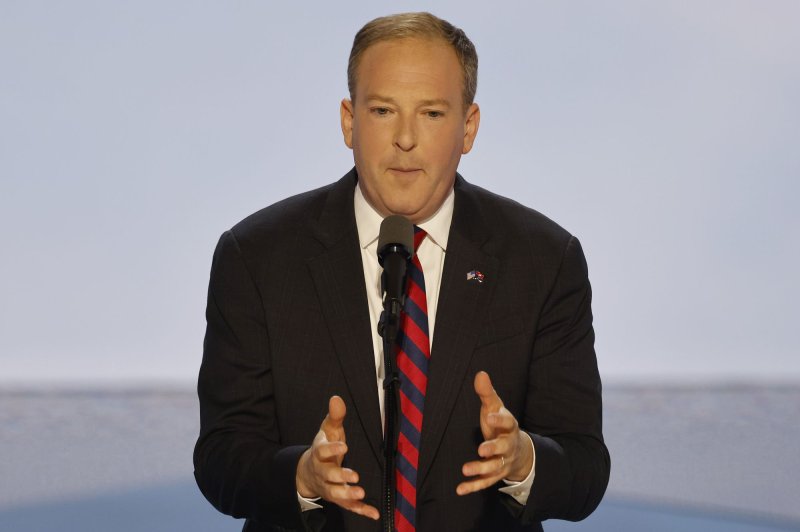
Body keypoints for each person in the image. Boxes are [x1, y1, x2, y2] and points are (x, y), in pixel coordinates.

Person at [194, 12, 609, 532]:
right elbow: (221, 458)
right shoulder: (256, 257)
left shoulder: (543, 260)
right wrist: (301, 476)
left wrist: (523, 460)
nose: (406, 138)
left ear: (469, 127)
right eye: (383, 110)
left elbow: (586, 468)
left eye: (432, 113)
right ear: (349, 121)